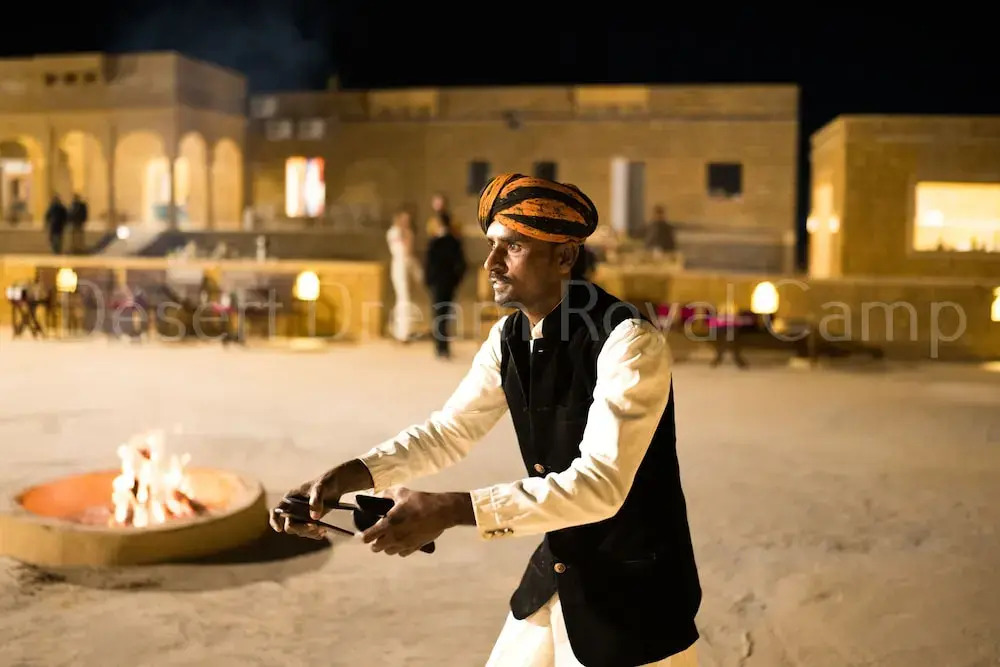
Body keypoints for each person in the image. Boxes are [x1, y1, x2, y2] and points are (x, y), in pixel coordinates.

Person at [270, 173, 701, 667]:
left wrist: (452, 509)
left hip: (634, 606)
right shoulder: (509, 337)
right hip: (556, 578)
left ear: (565, 257)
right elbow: (448, 431)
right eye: (491, 245)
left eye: (512, 247)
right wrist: (345, 478)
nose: (491, 263)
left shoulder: (628, 342)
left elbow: (600, 484)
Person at [423, 212, 466, 359]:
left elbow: (429, 265)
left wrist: (429, 281)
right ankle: (443, 347)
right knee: (445, 314)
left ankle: (440, 347)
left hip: (437, 283)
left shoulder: (434, 242)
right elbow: (461, 265)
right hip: (449, 283)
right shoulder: (455, 242)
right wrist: (456, 280)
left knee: (438, 314)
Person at [386, 208, 422, 343]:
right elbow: (400, 250)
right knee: (403, 298)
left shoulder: (409, 232)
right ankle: (401, 332)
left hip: (408, 264)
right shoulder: (394, 232)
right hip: (399, 266)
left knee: (409, 299)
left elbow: (410, 252)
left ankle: (407, 329)